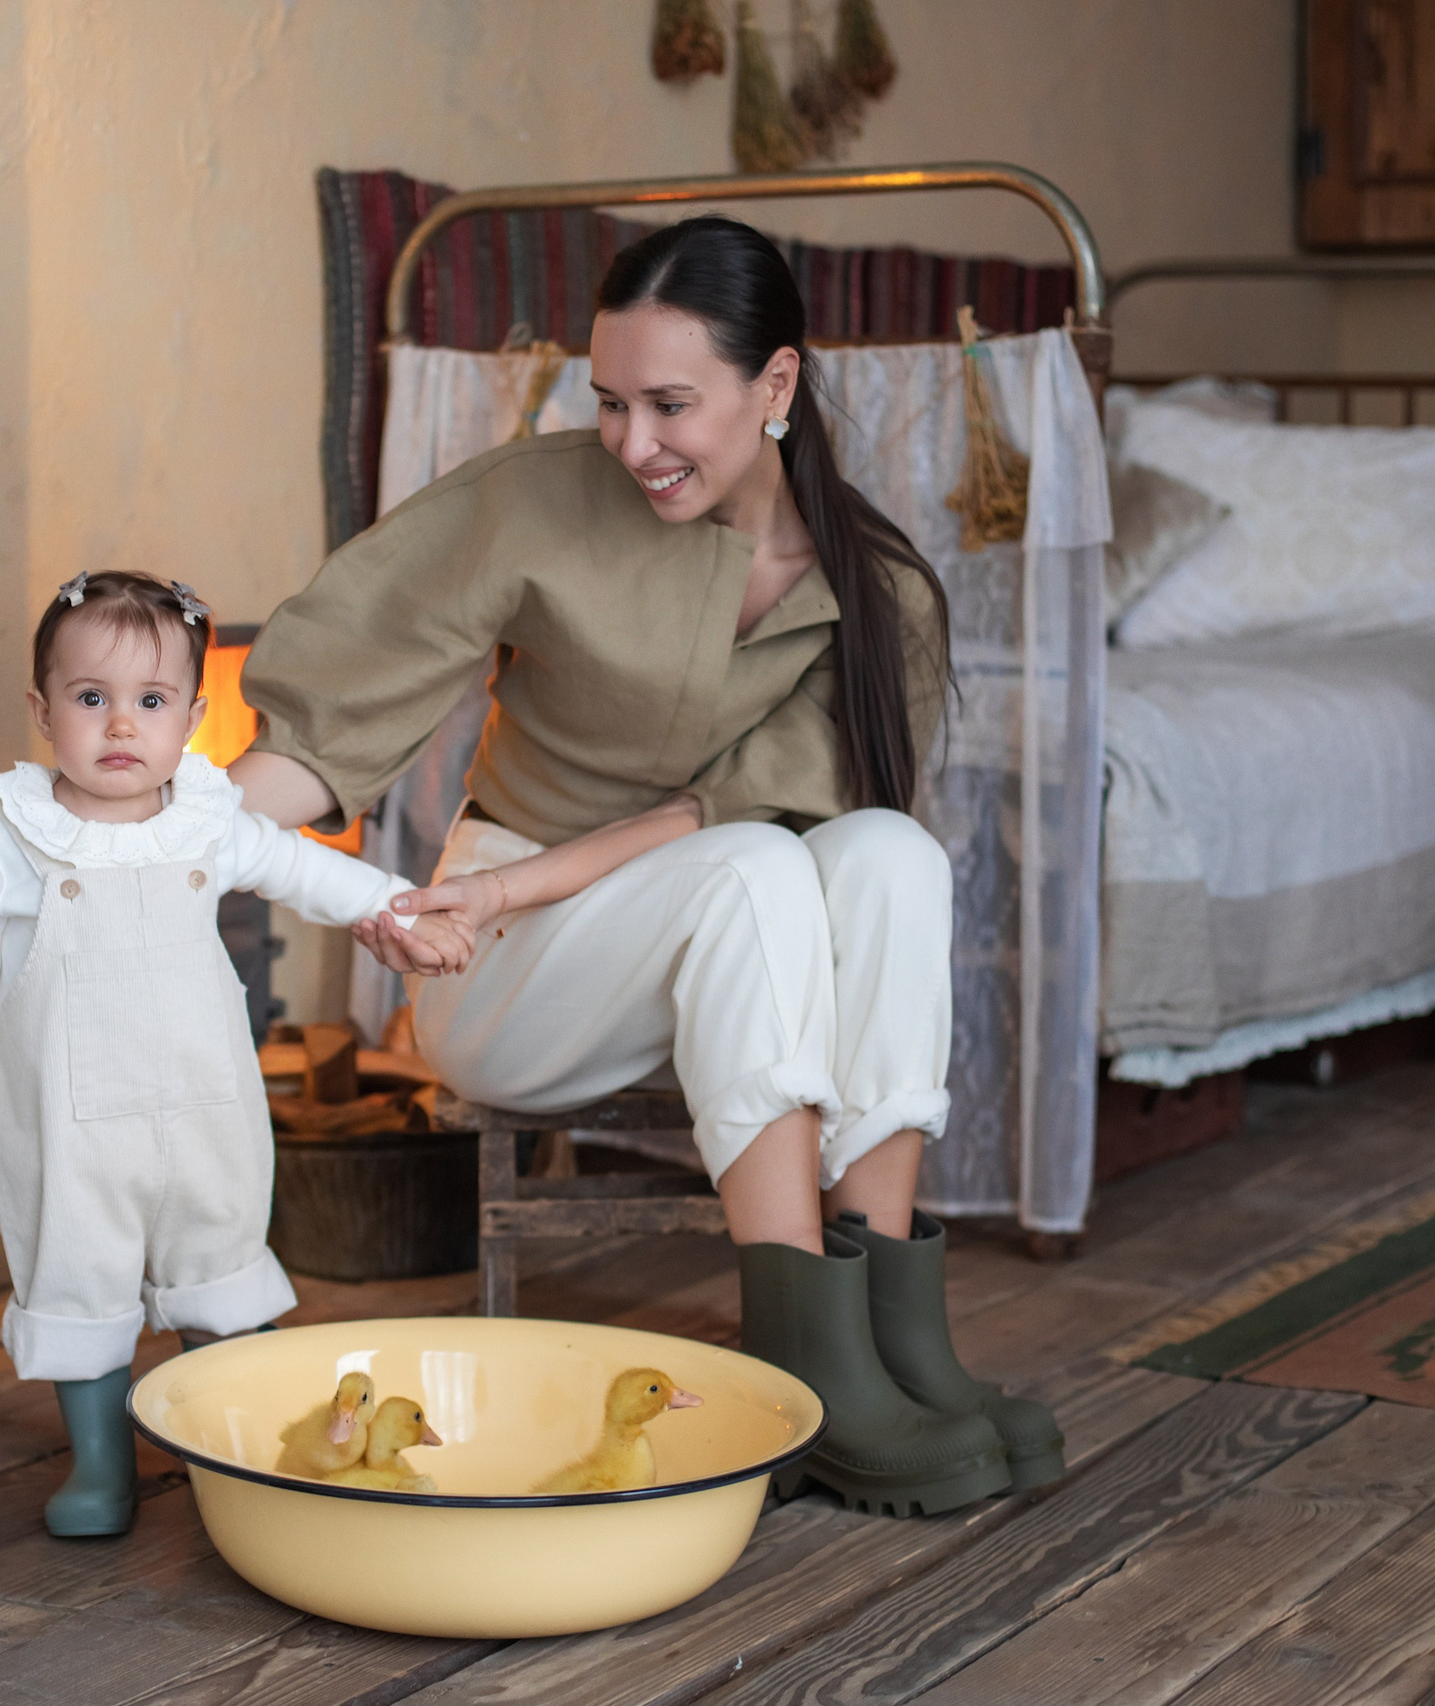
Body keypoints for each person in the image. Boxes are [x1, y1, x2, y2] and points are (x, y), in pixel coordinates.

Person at [230, 216, 1063, 1517]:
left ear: (775, 386)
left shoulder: (871, 591)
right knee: (755, 868)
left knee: (889, 853)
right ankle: (805, 1377)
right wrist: (171, 850)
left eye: (671, 403)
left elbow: (738, 814)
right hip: (508, 971)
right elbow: (340, 696)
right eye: (610, 399)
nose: (631, 442)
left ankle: (896, 1340)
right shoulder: (539, 499)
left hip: (736, 977)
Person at [0, 571, 471, 1539]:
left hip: (205, 1110)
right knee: (79, 1286)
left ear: (190, 716)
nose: (121, 725)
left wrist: (391, 905)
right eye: (92, 699)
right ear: (44, 712)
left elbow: (303, 867)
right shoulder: (11, 840)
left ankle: (247, 1448)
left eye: (151, 701)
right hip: (70, 1129)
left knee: (221, 1266)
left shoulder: (203, 822)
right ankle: (101, 1464)